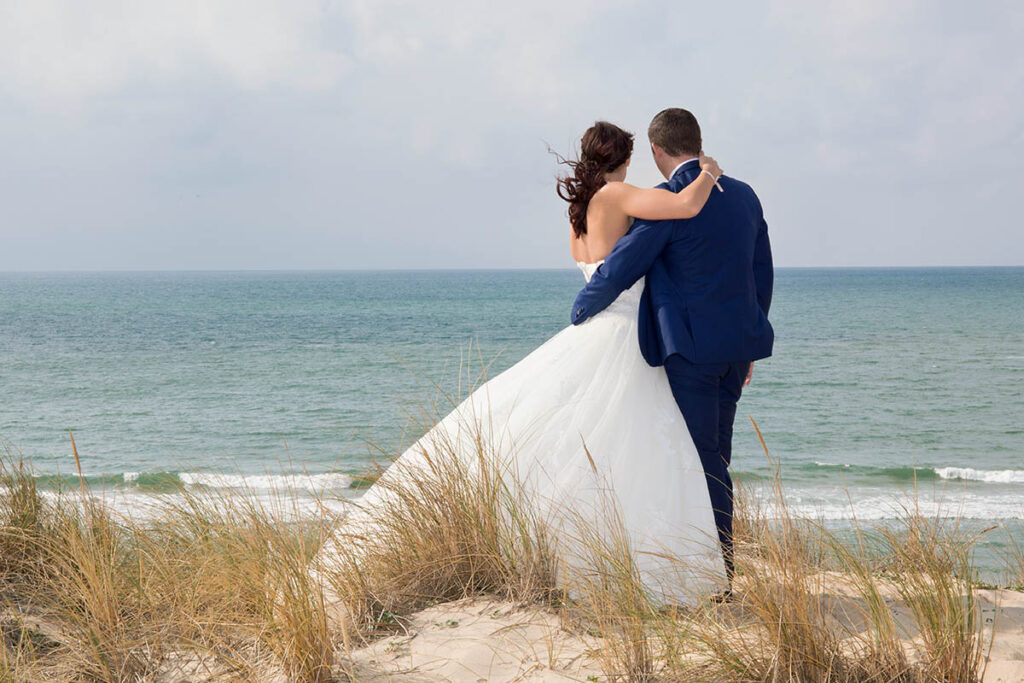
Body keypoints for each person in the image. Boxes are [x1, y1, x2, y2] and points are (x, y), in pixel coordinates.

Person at [316, 118, 733, 606]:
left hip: (592, 331)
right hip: (623, 338)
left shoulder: (578, 214)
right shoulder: (618, 197)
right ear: (622, 159)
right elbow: (684, 205)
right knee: (636, 447)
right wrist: (708, 170)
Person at [572, 108, 774, 589]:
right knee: (715, 458)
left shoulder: (665, 202)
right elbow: (759, 274)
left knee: (697, 459)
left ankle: (716, 575)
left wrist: (582, 307)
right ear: (697, 142)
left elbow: (623, 265)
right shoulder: (745, 196)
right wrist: (747, 347)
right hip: (734, 352)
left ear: (658, 150)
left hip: (689, 353)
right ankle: (712, 564)